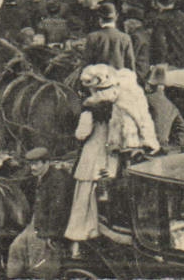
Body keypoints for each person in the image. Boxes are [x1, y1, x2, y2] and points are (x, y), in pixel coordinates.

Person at [64, 66, 114, 247]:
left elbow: (81, 134)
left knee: (83, 199)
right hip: (111, 160)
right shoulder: (118, 104)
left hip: (92, 157)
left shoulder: (90, 108)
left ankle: (80, 238)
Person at [144, 65, 184, 149]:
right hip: (163, 149)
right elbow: (183, 128)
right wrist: (173, 147)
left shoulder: (144, 100)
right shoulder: (171, 106)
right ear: (163, 87)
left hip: (146, 148)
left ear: (149, 85)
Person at [84, 3, 136, 74]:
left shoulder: (92, 37)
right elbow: (130, 65)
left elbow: (87, 64)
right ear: (116, 17)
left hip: (98, 81)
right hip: (118, 81)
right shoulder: (125, 38)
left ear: (100, 19)